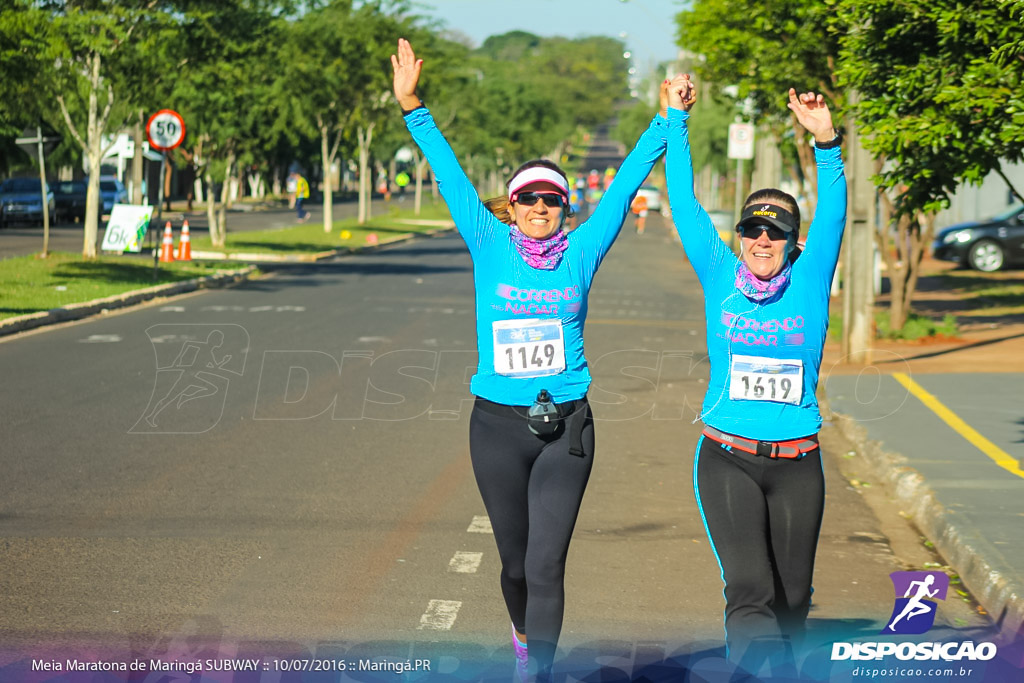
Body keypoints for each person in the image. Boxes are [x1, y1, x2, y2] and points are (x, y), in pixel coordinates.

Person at [392, 38, 669, 682]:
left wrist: (664, 121)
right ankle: (522, 635)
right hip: (496, 425)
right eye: (529, 199)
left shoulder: (584, 250)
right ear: (510, 206)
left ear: (565, 209)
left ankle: (536, 670)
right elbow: (449, 170)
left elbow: (627, 179)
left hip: (567, 424)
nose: (541, 209)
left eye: (552, 201)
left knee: (547, 564)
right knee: (514, 564)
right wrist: (413, 106)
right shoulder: (488, 242)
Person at [664, 75, 847, 673]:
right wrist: (676, 122)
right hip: (728, 458)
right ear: (740, 237)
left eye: (776, 232)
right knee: (749, 592)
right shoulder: (719, 273)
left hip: (798, 463)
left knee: (793, 602)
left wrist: (827, 145)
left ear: (793, 243)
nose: (763, 239)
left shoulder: (811, 280)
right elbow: (685, 206)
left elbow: (834, 213)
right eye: (753, 229)